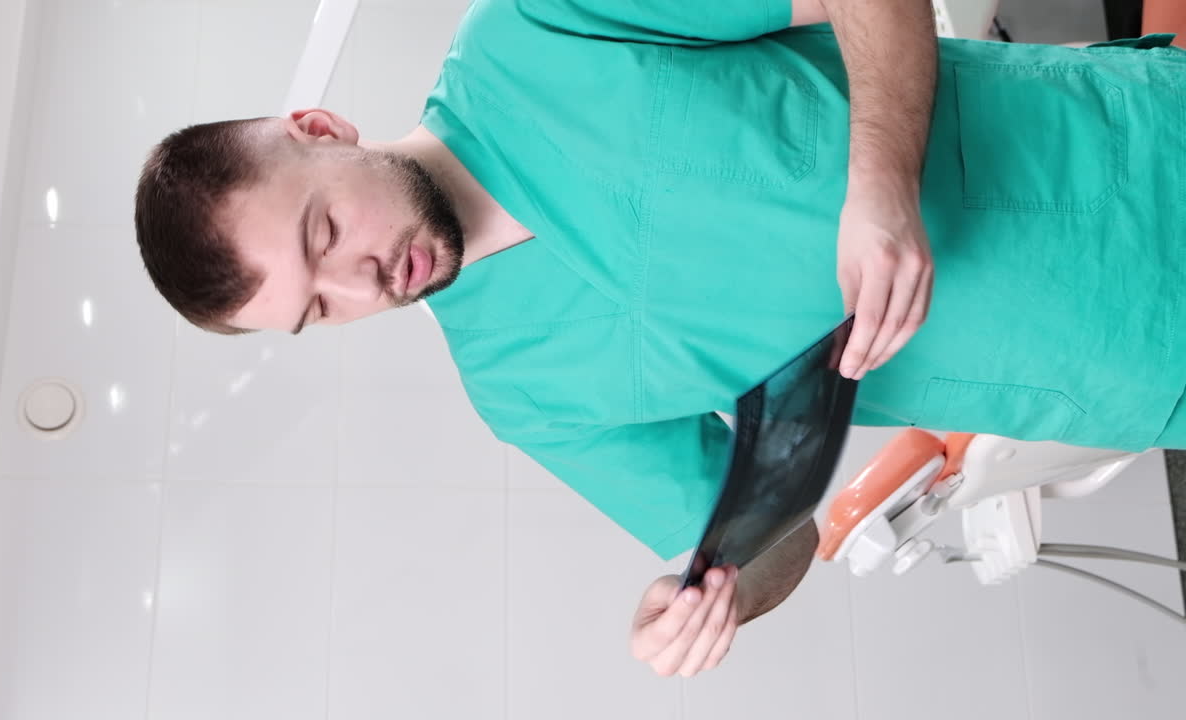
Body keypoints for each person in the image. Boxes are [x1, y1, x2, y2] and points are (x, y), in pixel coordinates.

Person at [132, 0, 1186, 678]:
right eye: (318, 308)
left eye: (323, 231)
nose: (358, 281)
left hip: (1133, 148)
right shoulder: (521, 388)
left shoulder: (534, 35)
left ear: (321, 131)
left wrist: (880, 177)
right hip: (1130, 371)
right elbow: (773, 545)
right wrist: (698, 591)